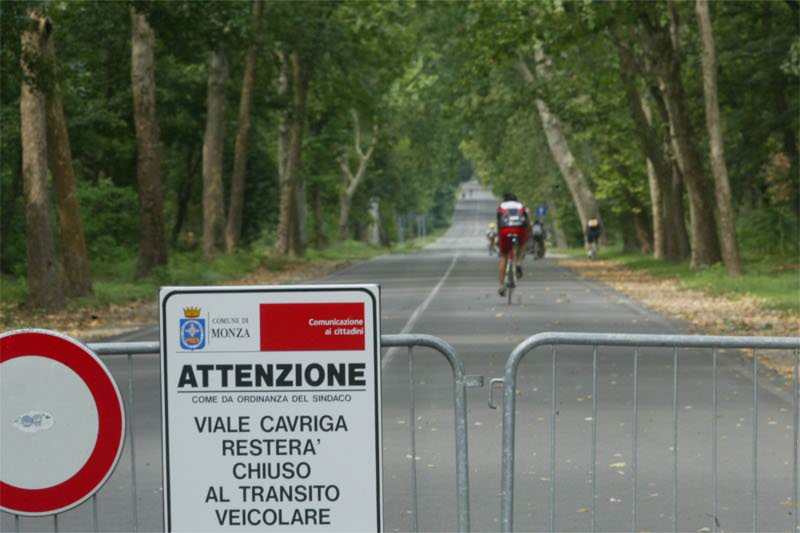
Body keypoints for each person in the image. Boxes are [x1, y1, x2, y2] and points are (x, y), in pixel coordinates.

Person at [496, 192, 532, 296]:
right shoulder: (520, 206)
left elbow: (499, 224)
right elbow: (528, 223)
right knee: (524, 243)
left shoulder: (501, 206)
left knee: (504, 256)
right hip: (520, 229)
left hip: (505, 231)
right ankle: (519, 262)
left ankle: (502, 286)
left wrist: (499, 238)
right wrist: (528, 232)